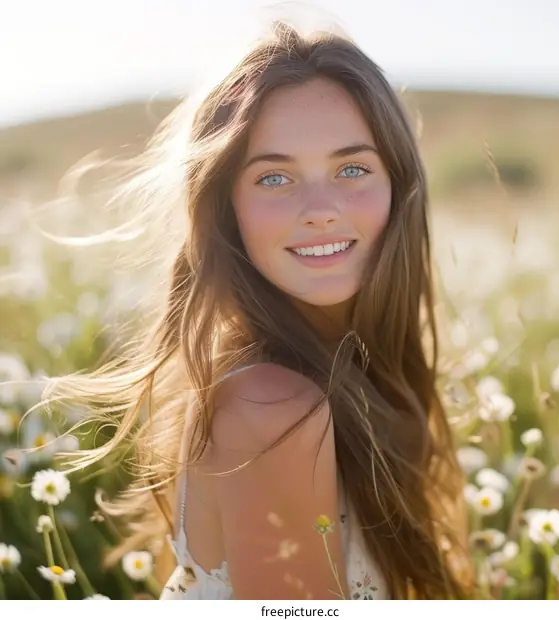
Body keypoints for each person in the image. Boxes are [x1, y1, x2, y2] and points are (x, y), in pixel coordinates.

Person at [46, 20, 473, 600]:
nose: (320, 210)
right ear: (227, 209)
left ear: (398, 186)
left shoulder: (319, 384)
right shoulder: (274, 412)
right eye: (274, 177)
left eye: (352, 168)